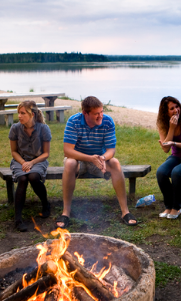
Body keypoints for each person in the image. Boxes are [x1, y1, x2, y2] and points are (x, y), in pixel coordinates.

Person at [58, 96, 137, 228]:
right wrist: (90, 158)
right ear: (85, 113)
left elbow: (111, 150)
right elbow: (67, 151)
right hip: (79, 161)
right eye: (96, 113)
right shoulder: (74, 121)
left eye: (101, 112)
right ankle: (66, 212)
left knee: (115, 163)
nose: (100, 116)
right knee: (69, 163)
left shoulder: (107, 121)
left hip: (100, 160)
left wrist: (103, 158)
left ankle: (125, 211)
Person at [9, 101, 52, 232]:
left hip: (38, 160)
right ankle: (18, 219)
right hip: (19, 161)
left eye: (23, 113)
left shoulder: (43, 128)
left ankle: (45, 204)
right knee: (22, 179)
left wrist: (32, 163)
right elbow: (14, 152)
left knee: (33, 177)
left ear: (32, 114)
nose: (20, 116)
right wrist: (23, 162)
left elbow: (46, 153)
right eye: (19, 113)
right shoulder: (15, 128)